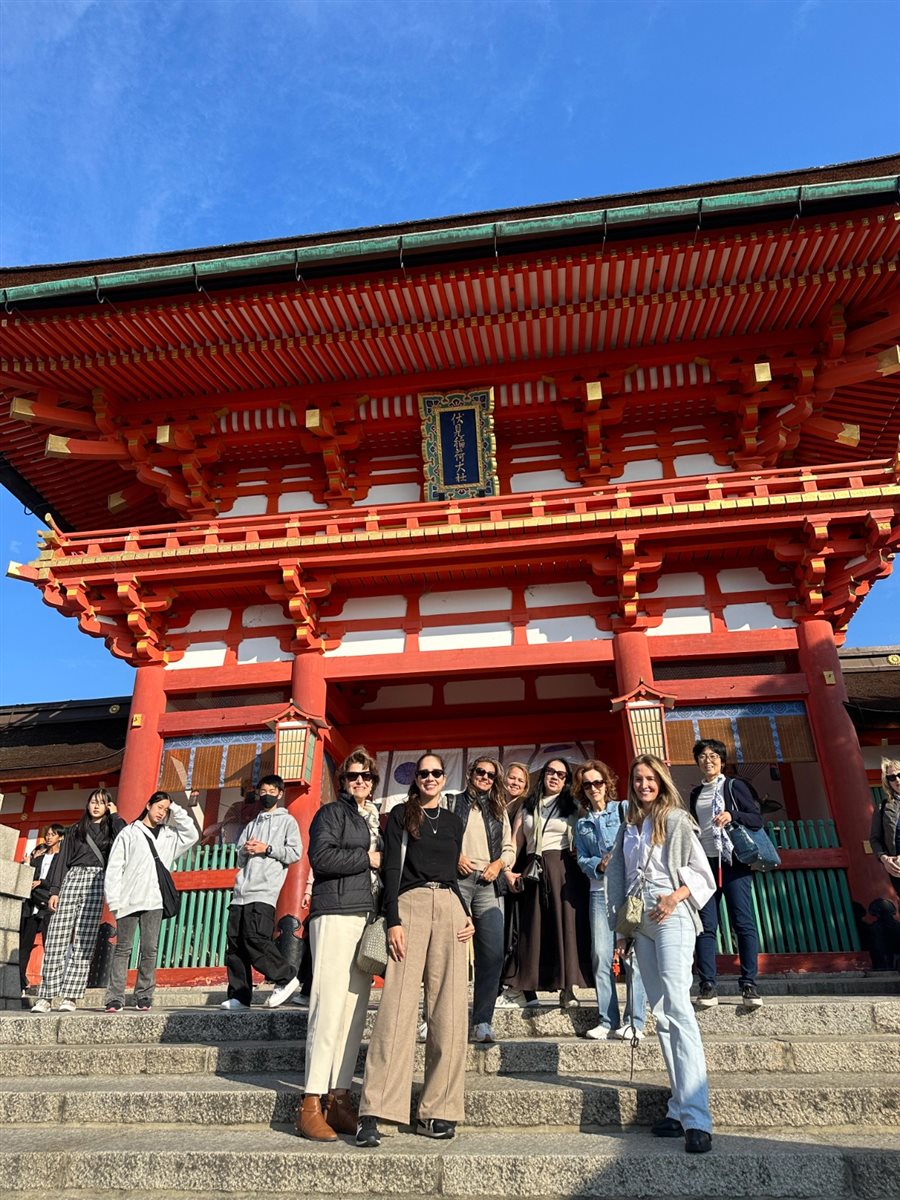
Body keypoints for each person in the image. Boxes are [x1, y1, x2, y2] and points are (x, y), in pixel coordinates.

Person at [356, 752, 474, 1147]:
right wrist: (392, 920)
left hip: (452, 912)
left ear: (445, 778)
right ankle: (376, 1109)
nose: (429, 778)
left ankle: (437, 1109)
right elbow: (391, 870)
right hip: (410, 905)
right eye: (423, 773)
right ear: (416, 779)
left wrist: (467, 913)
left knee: (450, 1011)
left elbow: (456, 875)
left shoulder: (456, 820)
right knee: (397, 1008)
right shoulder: (401, 816)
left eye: (436, 773)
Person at [606, 754, 716, 1154]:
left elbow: (702, 875)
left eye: (650, 778)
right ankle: (678, 1106)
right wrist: (622, 931)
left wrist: (674, 897)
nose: (643, 785)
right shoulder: (629, 826)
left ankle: (698, 1117)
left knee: (678, 1008)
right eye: (637, 779)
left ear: (662, 781)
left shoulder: (676, 820)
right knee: (660, 1013)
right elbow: (620, 880)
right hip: (641, 920)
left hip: (671, 913)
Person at [298, 749, 383, 1142]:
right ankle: (311, 1102)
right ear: (343, 781)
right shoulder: (332, 814)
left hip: (364, 916)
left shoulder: (376, 819)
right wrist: (367, 857)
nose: (360, 782)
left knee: (353, 1013)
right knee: (328, 1006)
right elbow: (321, 856)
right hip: (334, 912)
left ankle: (340, 1098)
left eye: (366, 776)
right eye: (353, 776)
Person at [505, 757, 592, 1010]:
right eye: (550, 772)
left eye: (561, 774)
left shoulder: (573, 806)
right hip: (533, 870)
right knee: (533, 928)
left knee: (565, 926)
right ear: (542, 775)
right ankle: (523, 988)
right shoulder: (528, 806)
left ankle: (568, 988)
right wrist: (508, 870)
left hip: (563, 869)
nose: (554, 777)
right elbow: (515, 841)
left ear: (566, 781)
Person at [102, 790, 199, 1012]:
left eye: (165, 809)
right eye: (159, 807)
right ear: (148, 805)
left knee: (150, 949)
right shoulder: (129, 833)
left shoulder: (169, 836)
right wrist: (114, 901)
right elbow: (115, 867)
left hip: (155, 900)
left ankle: (144, 995)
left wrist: (175, 809)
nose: (161, 812)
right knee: (123, 949)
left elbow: (192, 834)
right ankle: (115, 996)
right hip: (128, 900)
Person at [30, 790, 124, 1013]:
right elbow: (62, 860)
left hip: (97, 879)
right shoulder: (74, 829)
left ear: (108, 806)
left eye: (102, 803)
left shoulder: (112, 828)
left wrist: (116, 816)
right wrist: (55, 890)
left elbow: (125, 838)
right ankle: (46, 995)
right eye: (93, 802)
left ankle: (71, 995)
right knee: (56, 935)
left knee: (85, 937)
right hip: (72, 877)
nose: (96, 806)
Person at [574, 759, 647, 1041]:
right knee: (601, 956)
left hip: (628, 891)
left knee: (632, 956)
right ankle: (607, 1019)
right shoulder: (581, 824)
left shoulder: (623, 809)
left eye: (598, 782)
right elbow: (581, 858)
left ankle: (634, 1020)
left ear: (607, 784)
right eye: (588, 784)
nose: (594, 788)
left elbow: (640, 841)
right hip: (598, 892)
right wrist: (599, 865)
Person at [688, 739, 764, 1009]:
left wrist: (733, 815)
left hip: (733, 862)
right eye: (702, 756)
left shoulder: (734, 786)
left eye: (713, 756)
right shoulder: (696, 793)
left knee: (742, 922)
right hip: (705, 863)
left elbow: (757, 818)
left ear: (722, 760)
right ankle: (707, 984)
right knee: (706, 925)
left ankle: (749, 984)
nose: (708, 760)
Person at [221, 774, 303, 1010]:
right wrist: (246, 850)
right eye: (262, 791)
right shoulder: (251, 824)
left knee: (256, 940)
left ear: (279, 793)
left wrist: (266, 848)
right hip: (241, 891)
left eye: (270, 791)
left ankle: (286, 976)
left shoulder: (288, 822)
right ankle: (239, 995)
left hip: (264, 890)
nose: (265, 795)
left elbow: (294, 852)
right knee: (235, 945)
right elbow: (239, 857)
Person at [449, 757, 515, 1043]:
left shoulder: (498, 810)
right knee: (448, 951)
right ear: (470, 774)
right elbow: (435, 837)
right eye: (481, 772)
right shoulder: (450, 803)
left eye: (491, 775)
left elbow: (510, 848)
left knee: (492, 953)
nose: (485, 777)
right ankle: (438, 1018)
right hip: (457, 881)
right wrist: (454, 855)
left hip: (488, 882)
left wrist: (499, 865)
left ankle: (482, 1021)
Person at [18, 825, 65, 993]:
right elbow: (28, 877)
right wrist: (27, 865)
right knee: (24, 944)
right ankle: (20, 981)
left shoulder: (62, 859)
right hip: (33, 905)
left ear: (61, 837)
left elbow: (58, 880)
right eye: (48, 834)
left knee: (50, 944)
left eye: (53, 834)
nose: (49, 837)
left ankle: (51, 983)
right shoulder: (39, 859)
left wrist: (41, 883)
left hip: (49, 905)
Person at [871, 758, 900, 899]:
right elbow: (875, 839)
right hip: (897, 867)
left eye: (899, 775)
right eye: (892, 777)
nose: (897, 780)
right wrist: (884, 858)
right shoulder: (883, 807)